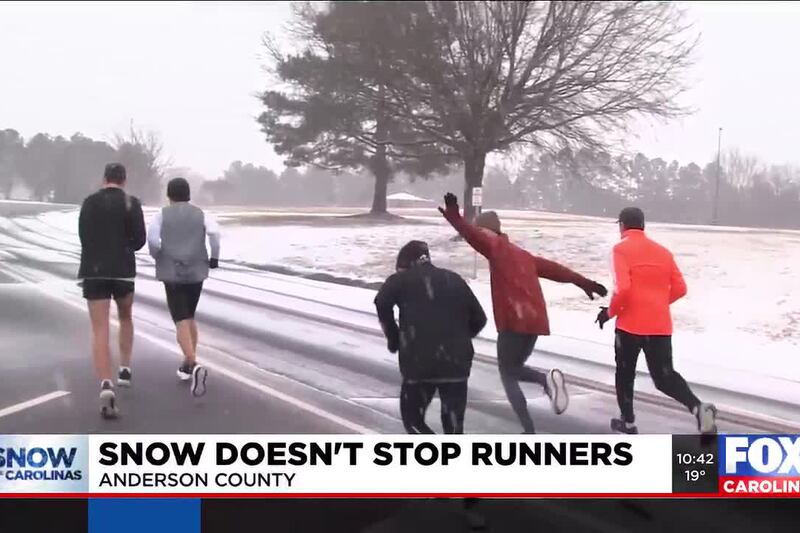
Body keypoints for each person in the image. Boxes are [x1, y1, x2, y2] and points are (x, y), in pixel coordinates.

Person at [439, 193, 607, 434]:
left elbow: (472, 235)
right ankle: (544, 387)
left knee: (507, 373)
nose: (480, 237)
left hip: (514, 319)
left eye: (481, 232)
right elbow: (556, 270)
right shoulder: (523, 255)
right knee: (514, 369)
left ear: (488, 231)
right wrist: (584, 283)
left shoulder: (494, 246)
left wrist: (455, 216)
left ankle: (530, 425)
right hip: (535, 320)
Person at [595, 207, 717, 435]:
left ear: (622, 225)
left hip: (629, 326)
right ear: (643, 225)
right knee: (664, 376)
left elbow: (623, 289)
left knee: (625, 373)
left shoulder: (620, 250)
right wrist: (657, 304)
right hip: (659, 325)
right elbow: (681, 288)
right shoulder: (663, 252)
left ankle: (628, 422)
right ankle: (698, 408)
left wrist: (609, 313)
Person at [374, 240, 487, 435]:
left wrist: (394, 339)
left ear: (407, 265)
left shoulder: (400, 280)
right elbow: (480, 318)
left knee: (413, 419)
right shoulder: (455, 279)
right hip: (456, 365)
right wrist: (457, 339)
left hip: (419, 364)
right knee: (453, 427)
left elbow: (381, 302)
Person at [78, 163, 146, 419]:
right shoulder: (132, 203)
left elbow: (83, 235)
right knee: (126, 316)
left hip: (94, 271)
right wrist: (123, 244)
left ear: (104, 177)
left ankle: (106, 383)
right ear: (124, 180)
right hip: (123, 270)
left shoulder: (89, 202)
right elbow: (139, 240)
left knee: (100, 328)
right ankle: (125, 368)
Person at [147, 177, 219, 397]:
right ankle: (188, 366)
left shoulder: (161, 214)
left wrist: (157, 254)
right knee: (189, 316)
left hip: (172, 271)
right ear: (189, 194)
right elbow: (215, 235)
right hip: (197, 270)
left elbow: (152, 239)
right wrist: (214, 258)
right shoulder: (202, 214)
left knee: (180, 319)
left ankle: (192, 363)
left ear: (169, 195)